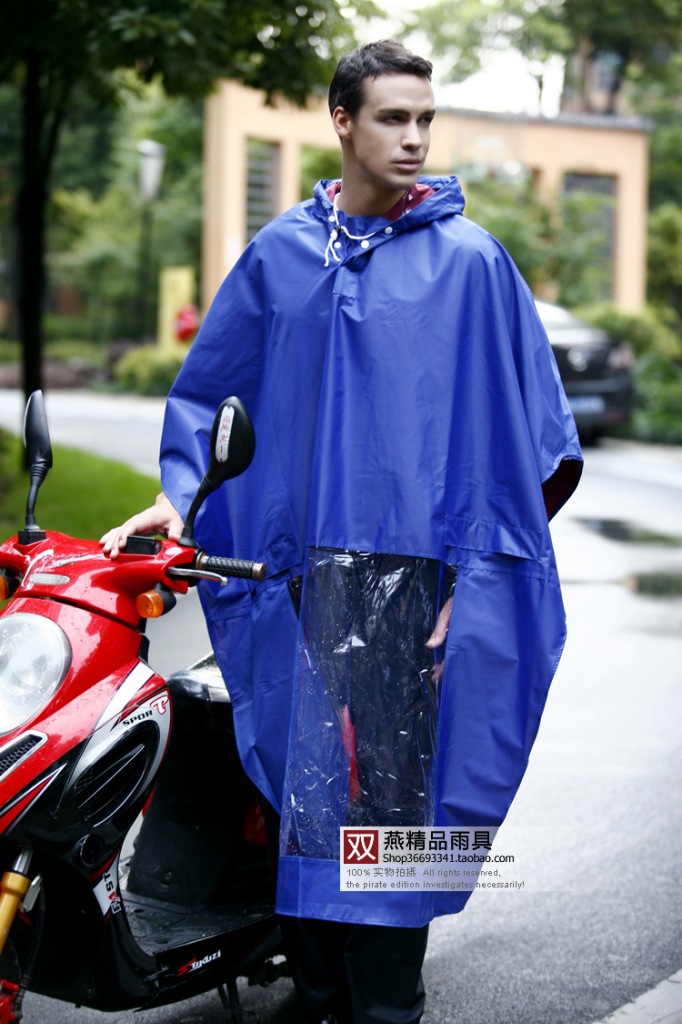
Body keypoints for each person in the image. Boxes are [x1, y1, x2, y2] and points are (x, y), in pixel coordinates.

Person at [101, 39, 583, 1023]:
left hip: (422, 586)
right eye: (390, 118)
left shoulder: (472, 266)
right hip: (298, 578)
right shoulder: (283, 257)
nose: (412, 138)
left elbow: (534, 447)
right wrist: (178, 496)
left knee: (398, 827)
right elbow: (214, 398)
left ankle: (385, 1011)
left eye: (423, 119)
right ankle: (316, 999)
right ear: (342, 122)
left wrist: (477, 593)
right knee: (304, 804)